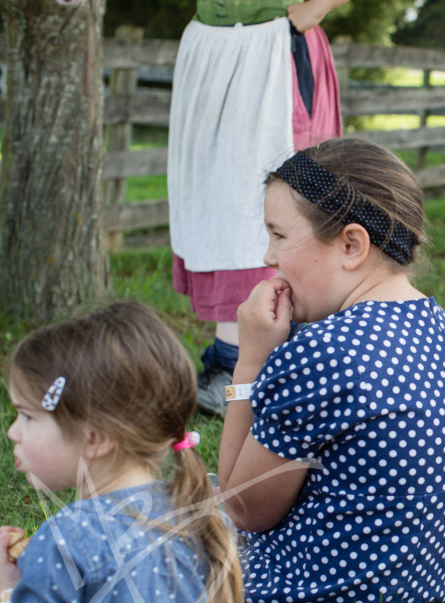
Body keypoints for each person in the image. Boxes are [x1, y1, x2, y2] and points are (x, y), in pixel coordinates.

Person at [216, 137, 445, 603]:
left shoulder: (321, 353)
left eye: (278, 235)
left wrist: (251, 360)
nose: (268, 255)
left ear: (351, 245)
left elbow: (243, 507)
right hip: (406, 596)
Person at [0, 301, 269, 603]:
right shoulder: (208, 517)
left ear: (94, 438)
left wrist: (9, 593)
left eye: (27, 416)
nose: (12, 431)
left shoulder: (62, 544)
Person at [168, 0, 348, 418]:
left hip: (272, 50)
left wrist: (312, 10)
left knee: (284, 197)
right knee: (220, 198)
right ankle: (237, 356)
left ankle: (272, 359)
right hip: (209, 51)